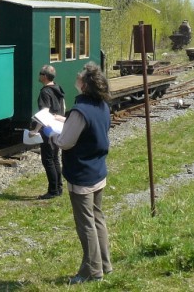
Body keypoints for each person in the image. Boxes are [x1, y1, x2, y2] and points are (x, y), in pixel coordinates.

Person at [40, 62, 112, 284]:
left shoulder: (81, 111)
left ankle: (92, 271)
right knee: (97, 218)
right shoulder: (101, 105)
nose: (77, 78)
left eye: (80, 77)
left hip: (82, 174)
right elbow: (85, 125)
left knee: (85, 224)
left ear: (84, 85)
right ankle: (105, 264)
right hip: (98, 170)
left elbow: (66, 142)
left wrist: (51, 132)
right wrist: (66, 119)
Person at [35, 64, 65, 200]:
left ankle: (53, 190)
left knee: (47, 160)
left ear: (45, 76)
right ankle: (59, 188)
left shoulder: (45, 92)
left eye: (41, 73)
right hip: (58, 128)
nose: (39, 75)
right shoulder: (58, 88)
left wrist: (35, 130)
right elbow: (63, 107)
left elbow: (44, 113)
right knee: (55, 158)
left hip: (48, 130)